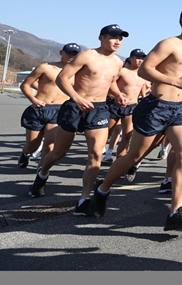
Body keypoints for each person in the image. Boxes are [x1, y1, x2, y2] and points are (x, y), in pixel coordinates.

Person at [87, 4, 182, 231]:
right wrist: (174, 82)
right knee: (134, 157)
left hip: (181, 108)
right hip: (156, 106)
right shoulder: (169, 44)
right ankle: (102, 189)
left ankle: (176, 211)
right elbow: (145, 70)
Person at [28, 25, 127, 219]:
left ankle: (84, 200)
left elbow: (111, 81)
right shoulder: (86, 56)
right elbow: (62, 78)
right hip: (74, 107)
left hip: (98, 110)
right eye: (113, 37)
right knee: (59, 152)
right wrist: (76, 98)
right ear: (101, 38)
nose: (117, 41)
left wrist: (118, 95)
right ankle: (42, 174)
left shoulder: (117, 62)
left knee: (96, 154)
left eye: (120, 38)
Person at [18, 43, 81, 168]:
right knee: (32, 145)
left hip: (59, 110)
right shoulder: (45, 67)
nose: (71, 57)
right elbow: (25, 84)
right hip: (39, 108)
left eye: (75, 55)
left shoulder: (77, 73)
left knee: (50, 145)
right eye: (69, 53)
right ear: (61, 52)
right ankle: (25, 153)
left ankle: (40, 173)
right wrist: (33, 100)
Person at [104, 49, 150, 163]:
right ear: (131, 58)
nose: (140, 60)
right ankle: (99, 153)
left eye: (142, 58)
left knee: (127, 136)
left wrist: (145, 102)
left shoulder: (142, 74)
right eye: (138, 58)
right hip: (115, 105)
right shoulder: (122, 71)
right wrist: (115, 95)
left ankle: (119, 161)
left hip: (132, 106)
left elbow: (142, 91)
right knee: (107, 133)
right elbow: (109, 84)